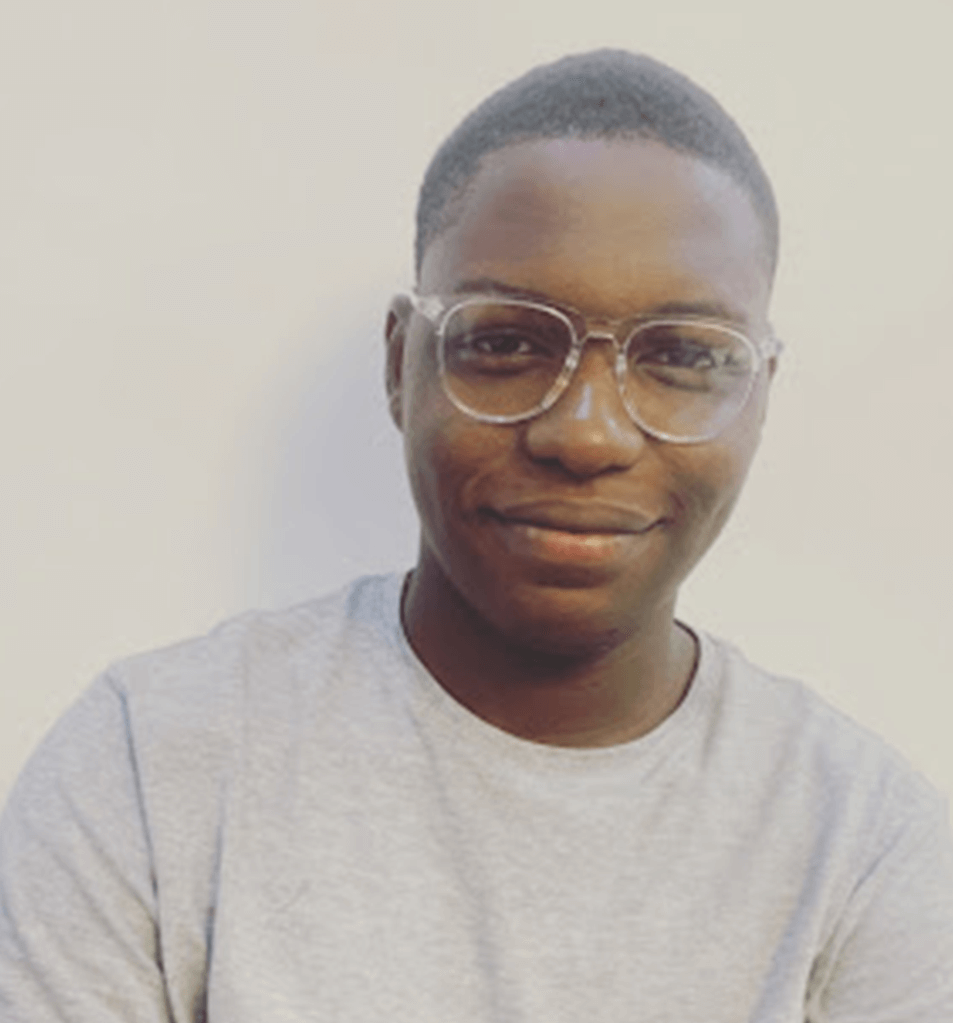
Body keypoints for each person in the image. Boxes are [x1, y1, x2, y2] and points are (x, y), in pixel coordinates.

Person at [1, 49, 951, 1022]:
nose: (585, 433)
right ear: (399, 366)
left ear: (758, 399)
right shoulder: (150, 765)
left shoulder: (860, 851)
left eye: (679, 356)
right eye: (504, 342)